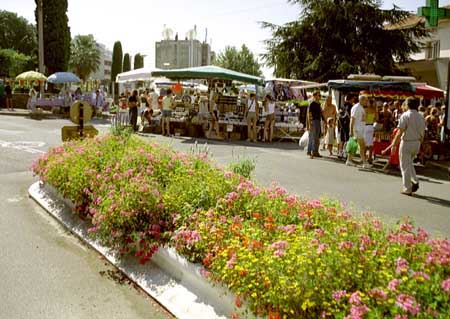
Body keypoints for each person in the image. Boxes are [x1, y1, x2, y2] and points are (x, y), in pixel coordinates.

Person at [384, 97, 426, 196]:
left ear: (407, 105)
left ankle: (407, 188)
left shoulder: (405, 115)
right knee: (409, 163)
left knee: (404, 166)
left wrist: (394, 144)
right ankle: (414, 180)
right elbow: (423, 132)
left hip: (407, 142)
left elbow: (400, 132)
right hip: (417, 142)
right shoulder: (421, 116)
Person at [347, 95, 370, 168]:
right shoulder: (357, 107)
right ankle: (364, 162)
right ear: (362, 100)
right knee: (360, 146)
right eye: (366, 100)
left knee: (358, 146)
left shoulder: (360, 107)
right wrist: (351, 130)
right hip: (357, 130)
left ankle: (350, 160)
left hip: (359, 130)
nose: (367, 102)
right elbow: (352, 119)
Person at [306, 91, 323, 159]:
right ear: (315, 96)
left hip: (318, 121)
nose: (320, 96)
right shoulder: (312, 104)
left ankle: (315, 151)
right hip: (313, 121)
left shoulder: (319, 104)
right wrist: (310, 123)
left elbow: (321, 114)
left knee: (316, 137)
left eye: (320, 95)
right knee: (312, 137)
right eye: (319, 95)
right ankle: (311, 152)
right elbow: (309, 114)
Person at [364, 98, 379, 164]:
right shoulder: (375, 110)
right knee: (370, 143)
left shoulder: (366, 110)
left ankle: (364, 157)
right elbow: (377, 119)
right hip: (371, 126)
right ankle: (370, 158)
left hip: (366, 126)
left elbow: (363, 118)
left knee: (365, 143)